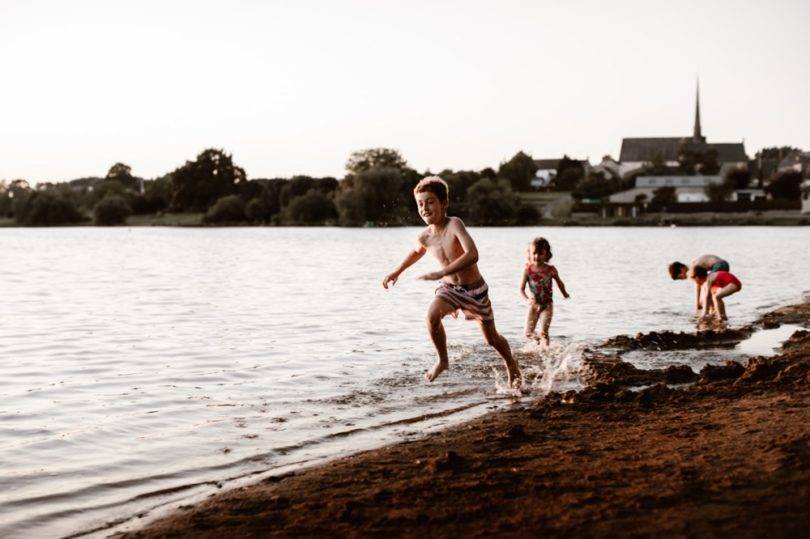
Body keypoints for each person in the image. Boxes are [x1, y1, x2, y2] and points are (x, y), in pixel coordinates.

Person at [381, 176, 521, 387]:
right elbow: (416, 252)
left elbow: (472, 254)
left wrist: (442, 271)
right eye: (420, 203)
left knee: (491, 340)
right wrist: (397, 271)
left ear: (444, 203)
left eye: (430, 201)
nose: (424, 207)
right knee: (431, 316)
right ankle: (443, 360)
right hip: (449, 289)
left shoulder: (454, 224)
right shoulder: (424, 237)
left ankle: (511, 363)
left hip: (475, 290)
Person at [519, 237, 569, 348]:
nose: (537, 256)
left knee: (544, 332)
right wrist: (527, 299)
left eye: (540, 253)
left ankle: (546, 351)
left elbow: (560, 283)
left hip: (547, 305)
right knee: (528, 333)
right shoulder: (528, 270)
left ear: (546, 254)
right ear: (530, 254)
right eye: (534, 253)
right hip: (533, 305)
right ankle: (538, 345)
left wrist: (565, 293)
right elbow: (521, 289)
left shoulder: (551, 269)